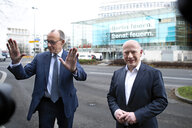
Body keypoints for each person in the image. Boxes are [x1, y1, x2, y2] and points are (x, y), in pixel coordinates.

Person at [7, 29, 87, 128]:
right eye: (47, 41)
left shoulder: (70, 57)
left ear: (62, 42)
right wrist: (16, 63)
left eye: (52, 42)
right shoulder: (40, 58)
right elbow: (22, 75)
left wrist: (74, 70)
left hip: (65, 102)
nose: (48, 45)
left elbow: (83, 76)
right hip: (46, 104)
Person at [107, 40, 168, 128]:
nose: (130, 56)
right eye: (126, 52)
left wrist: (137, 115)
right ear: (123, 54)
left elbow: (161, 101)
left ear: (141, 52)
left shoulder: (154, 74)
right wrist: (116, 111)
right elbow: (111, 97)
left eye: (133, 52)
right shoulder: (117, 74)